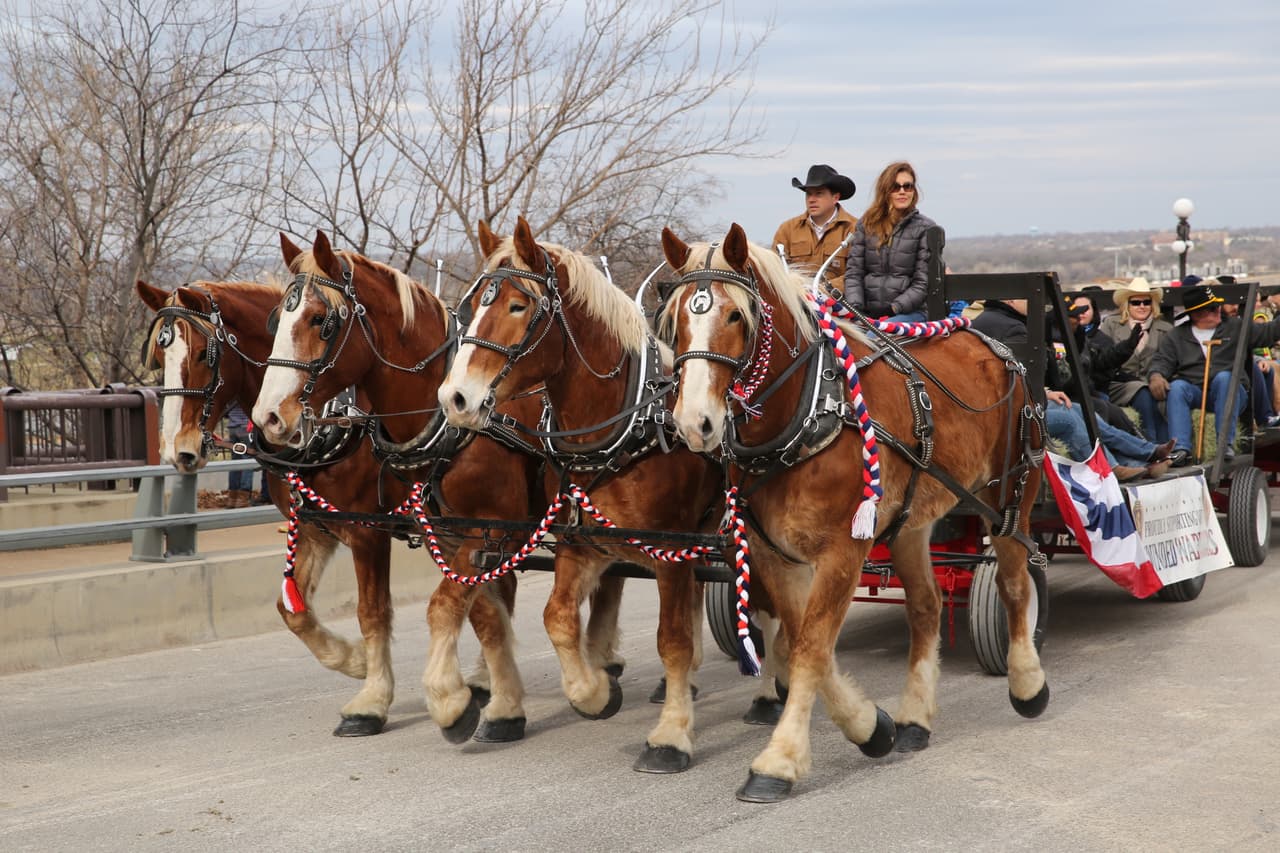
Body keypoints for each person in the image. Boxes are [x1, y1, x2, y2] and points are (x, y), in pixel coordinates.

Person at [970, 297, 1171, 481]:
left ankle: (1143, 457)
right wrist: (1043, 393)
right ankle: (1111, 469)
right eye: (1026, 298)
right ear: (1010, 300)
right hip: (1007, 413)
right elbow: (1016, 376)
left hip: (1007, 405)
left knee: (1079, 410)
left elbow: (1013, 376)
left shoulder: (990, 320)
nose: (1033, 302)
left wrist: (1046, 393)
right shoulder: (1014, 327)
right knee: (1071, 418)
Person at [1148, 283, 1280, 465]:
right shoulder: (1176, 335)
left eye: (1217, 305)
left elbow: (1267, 333)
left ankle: (1225, 443)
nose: (1218, 310)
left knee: (1224, 378)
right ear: (1195, 314)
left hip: (1232, 393)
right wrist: (1156, 375)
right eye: (1211, 308)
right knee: (1178, 387)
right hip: (1198, 391)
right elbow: (1162, 361)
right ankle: (1180, 449)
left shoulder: (1235, 327)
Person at [842, 161, 938, 324]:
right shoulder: (866, 225)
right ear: (885, 191)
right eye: (895, 187)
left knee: (872, 341)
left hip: (911, 313)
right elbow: (854, 273)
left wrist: (892, 309)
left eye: (907, 186)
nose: (902, 192)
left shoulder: (926, 228)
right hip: (867, 314)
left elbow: (922, 283)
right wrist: (856, 308)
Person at [1097, 277, 1174, 442]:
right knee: (1143, 393)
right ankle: (1153, 445)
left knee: (1167, 394)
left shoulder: (1166, 329)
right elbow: (1104, 357)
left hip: (1154, 382)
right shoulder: (1111, 325)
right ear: (1127, 305)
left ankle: (1172, 446)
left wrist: (1159, 377)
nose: (1142, 306)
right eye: (1136, 303)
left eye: (1146, 302)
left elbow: (1171, 359)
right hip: (1120, 383)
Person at [772, 164, 858, 297]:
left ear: (835, 197)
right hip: (797, 303)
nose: (812, 199)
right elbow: (775, 271)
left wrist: (822, 290)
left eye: (819, 194)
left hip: (840, 306)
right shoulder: (787, 230)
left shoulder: (854, 229)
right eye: (808, 194)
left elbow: (857, 273)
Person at [224, 403, 253, 508]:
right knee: (247, 462)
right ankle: (243, 499)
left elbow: (226, 410)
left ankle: (232, 498)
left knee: (235, 463)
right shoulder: (243, 388)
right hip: (245, 427)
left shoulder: (231, 391)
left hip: (232, 428)